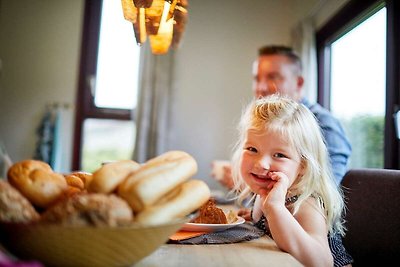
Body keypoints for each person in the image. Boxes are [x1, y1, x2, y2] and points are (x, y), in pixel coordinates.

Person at [231, 94, 353, 267]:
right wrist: (252, 216)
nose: (261, 164)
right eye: (252, 149)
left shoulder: (305, 204)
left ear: (303, 165)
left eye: (279, 155)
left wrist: (275, 208)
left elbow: (322, 262)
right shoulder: (267, 191)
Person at [212, 45, 351, 188]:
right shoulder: (265, 122)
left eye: (273, 77)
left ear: (298, 83)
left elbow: (325, 195)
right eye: (257, 79)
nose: (261, 87)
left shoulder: (324, 125)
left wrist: (243, 185)